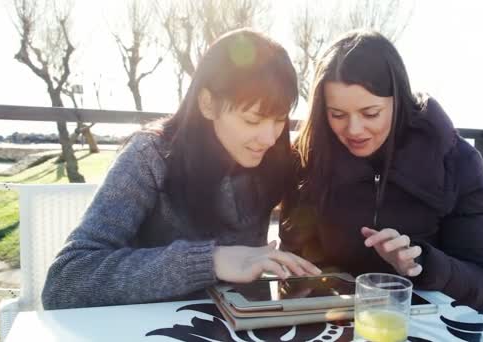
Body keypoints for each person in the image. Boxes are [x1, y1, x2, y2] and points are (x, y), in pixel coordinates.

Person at [42, 29, 321, 310]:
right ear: (208, 104)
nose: (269, 138)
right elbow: (65, 281)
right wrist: (209, 260)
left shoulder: (272, 159)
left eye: (280, 120)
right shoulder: (149, 157)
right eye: (252, 120)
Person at [280, 30, 483, 312]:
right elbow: (295, 260)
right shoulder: (309, 157)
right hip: (338, 322)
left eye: (370, 113)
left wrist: (422, 263)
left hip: (432, 322)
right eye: (337, 114)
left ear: (399, 101)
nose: (354, 130)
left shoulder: (456, 161)